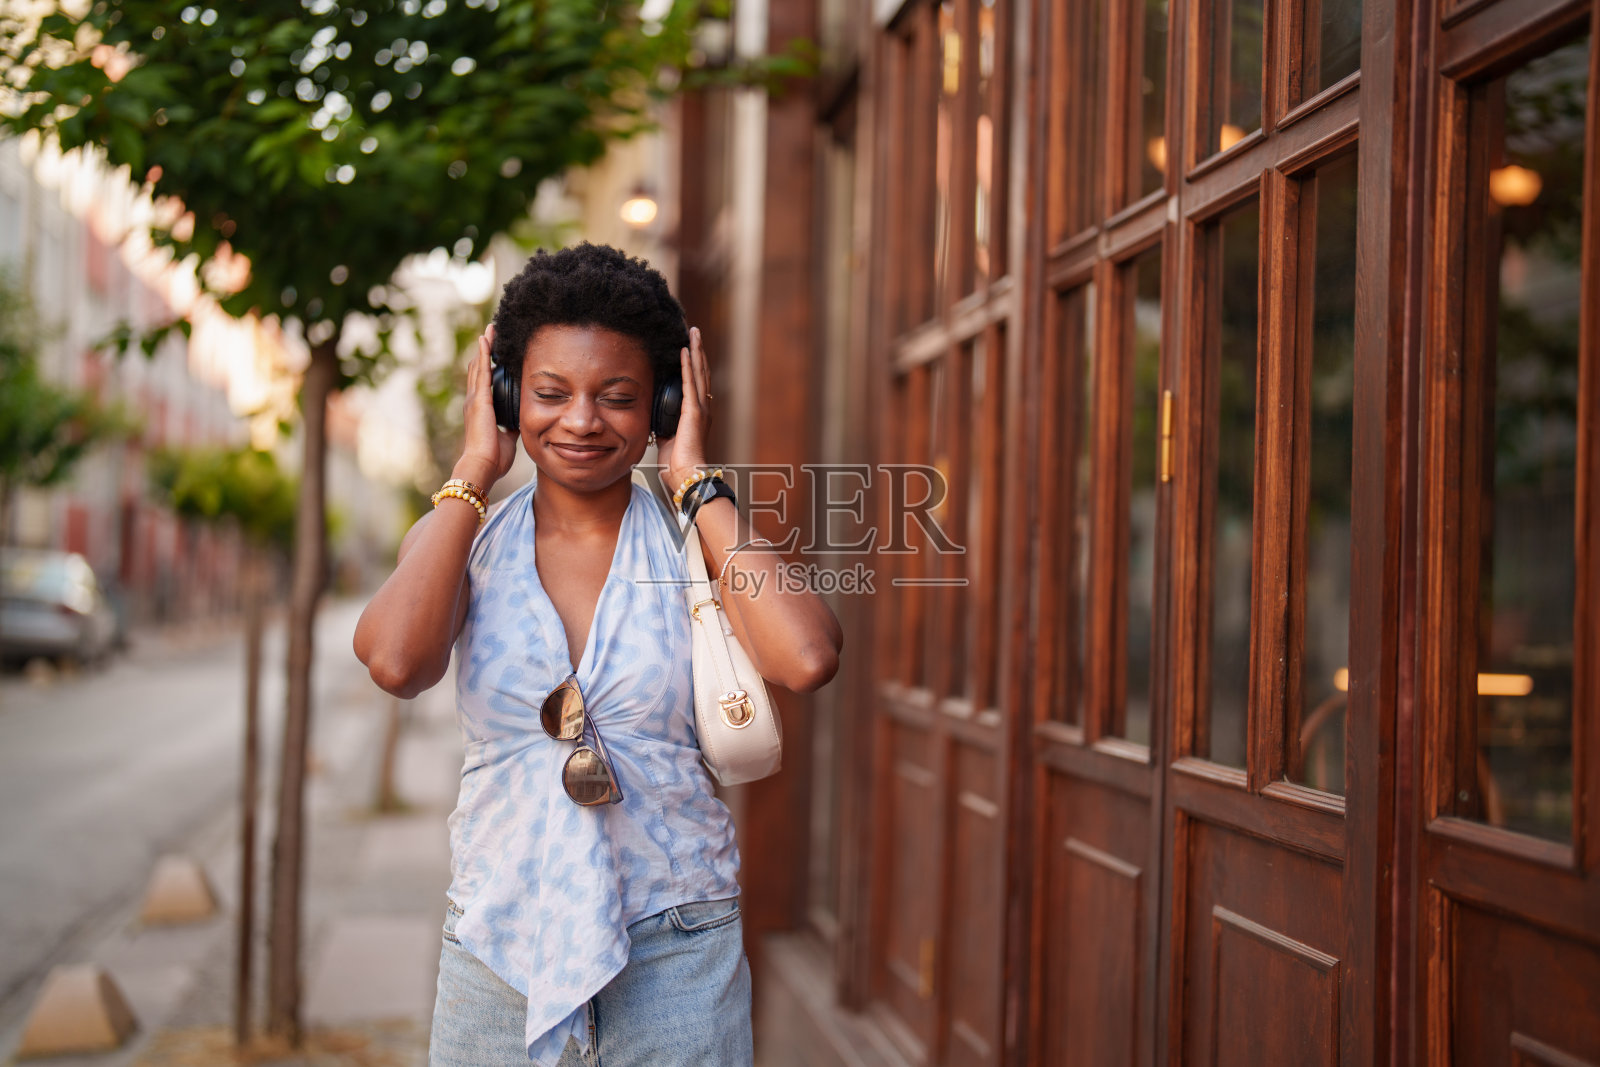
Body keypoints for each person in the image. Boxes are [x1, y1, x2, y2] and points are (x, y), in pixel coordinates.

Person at [353, 242, 842, 1066]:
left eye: (617, 397)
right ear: (506, 395)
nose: (581, 419)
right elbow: (397, 662)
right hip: (499, 948)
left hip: (676, 948)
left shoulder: (699, 543)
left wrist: (695, 479)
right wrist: (473, 467)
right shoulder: (464, 538)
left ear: (662, 404)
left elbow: (805, 657)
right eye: (549, 393)